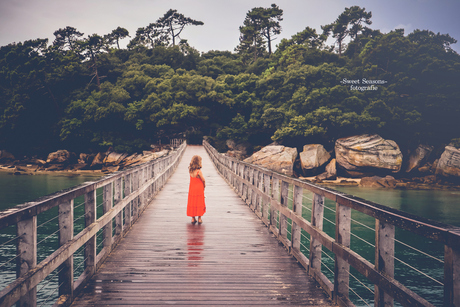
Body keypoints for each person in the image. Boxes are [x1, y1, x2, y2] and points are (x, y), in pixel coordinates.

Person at [187, 155, 206, 224]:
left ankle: (193, 218)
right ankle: (199, 219)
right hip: (199, 188)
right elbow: (203, 180)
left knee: (192, 201)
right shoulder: (199, 171)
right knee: (199, 202)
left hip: (192, 187)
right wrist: (204, 185)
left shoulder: (190, 170)